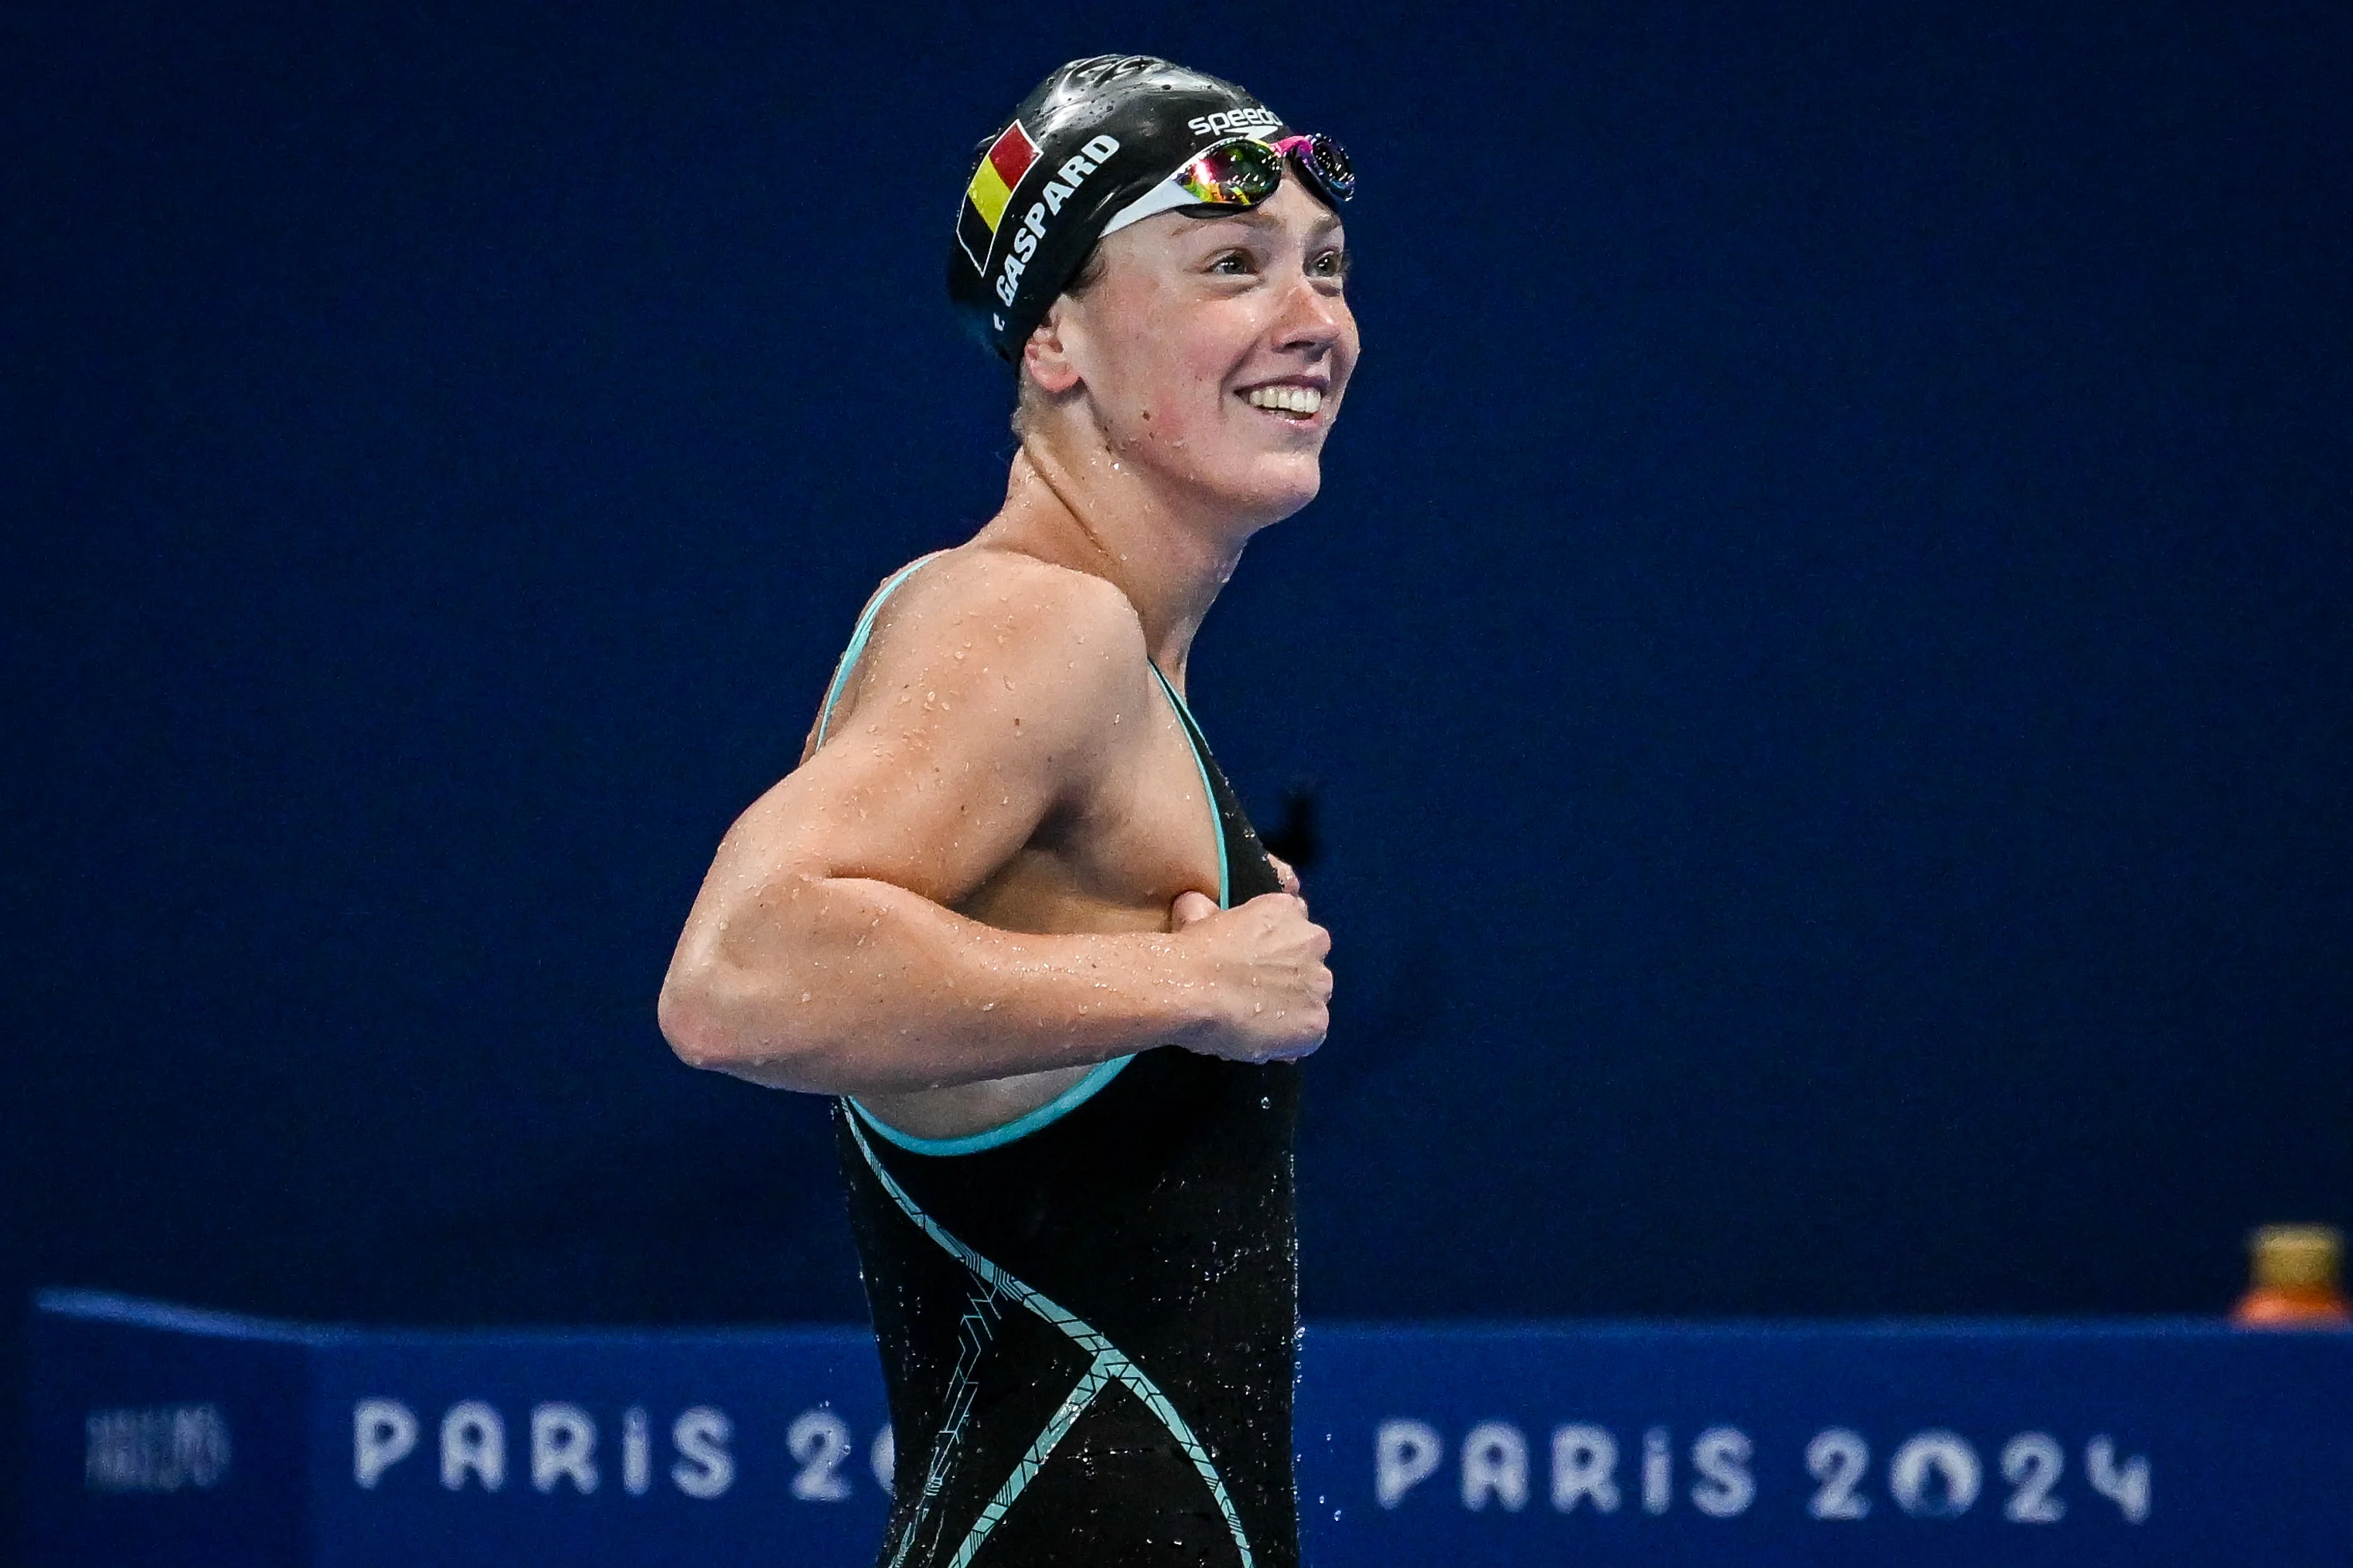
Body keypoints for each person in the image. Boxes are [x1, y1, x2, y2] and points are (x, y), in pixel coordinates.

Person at [659, 54, 1357, 1568]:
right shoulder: (1031, 626)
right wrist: (1184, 982)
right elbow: (737, 977)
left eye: (1324, 265)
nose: (1312, 318)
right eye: (1232, 265)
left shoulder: (1096, 657)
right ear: (1054, 340)